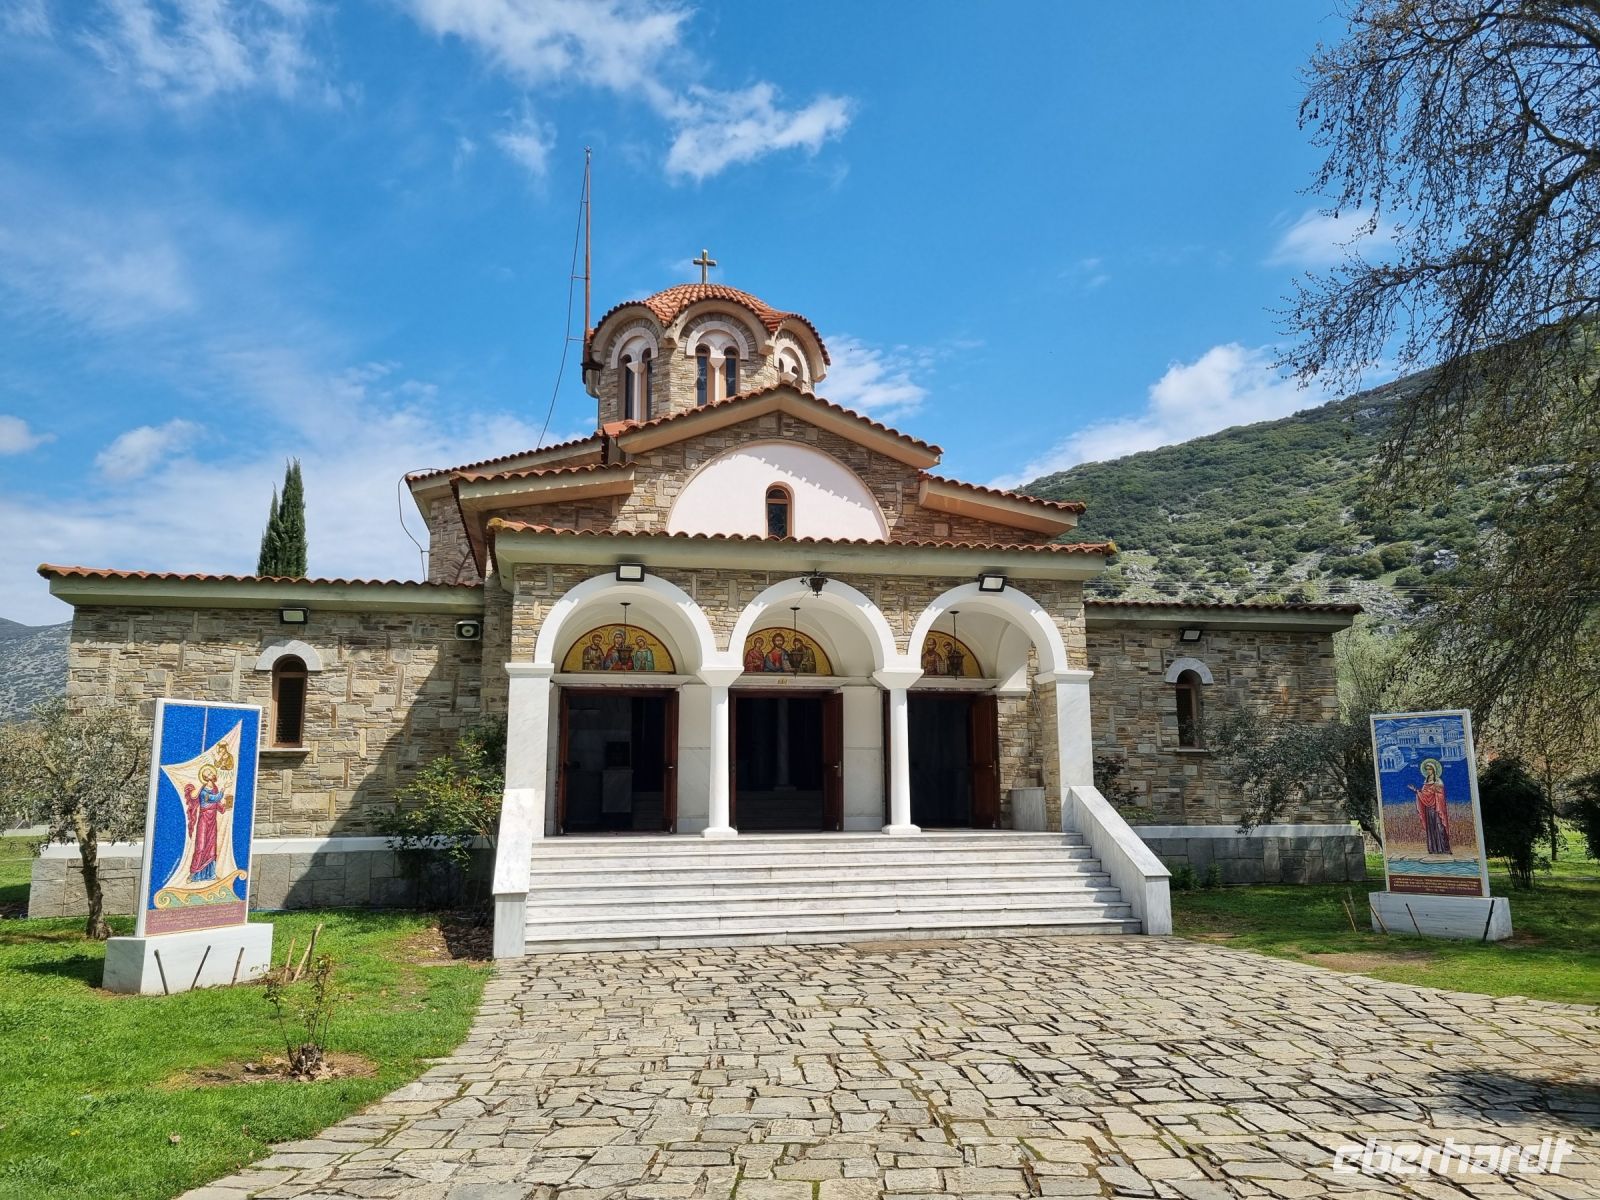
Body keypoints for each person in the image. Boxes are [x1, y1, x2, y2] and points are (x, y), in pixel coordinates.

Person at [182, 764, 232, 884]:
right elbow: (213, 799)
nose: (212, 774)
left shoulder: (214, 787)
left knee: (211, 846)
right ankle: (193, 874)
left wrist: (225, 807)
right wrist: (223, 789)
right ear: (205, 777)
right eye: (209, 773)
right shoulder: (204, 790)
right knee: (201, 846)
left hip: (212, 819)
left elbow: (217, 803)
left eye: (211, 773)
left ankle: (210, 874)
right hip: (204, 819)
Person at [1410, 758, 1451, 854]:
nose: (1428, 771)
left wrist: (1434, 793)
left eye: (1430, 769)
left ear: (1433, 770)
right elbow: (1424, 794)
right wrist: (1416, 791)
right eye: (1427, 769)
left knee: (1439, 826)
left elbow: (1440, 795)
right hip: (1428, 809)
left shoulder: (1438, 781)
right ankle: (1433, 848)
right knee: (1431, 828)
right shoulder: (1426, 781)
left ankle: (1443, 848)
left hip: (1437, 808)